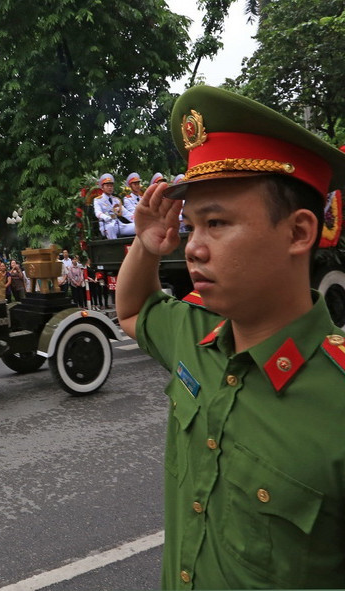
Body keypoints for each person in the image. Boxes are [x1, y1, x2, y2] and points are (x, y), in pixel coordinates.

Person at [116, 85, 345, 589]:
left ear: (299, 232)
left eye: (216, 222)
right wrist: (147, 248)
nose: (193, 248)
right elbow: (132, 310)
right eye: (191, 226)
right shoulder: (196, 333)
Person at [93, 174, 123, 239]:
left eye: (111, 186)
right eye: (107, 186)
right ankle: (116, 245)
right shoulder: (98, 200)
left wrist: (136, 218)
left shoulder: (116, 200)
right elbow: (97, 212)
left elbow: (125, 212)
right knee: (110, 227)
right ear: (102, 188)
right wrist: (106, 217)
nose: (110, 188)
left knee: (135, 227)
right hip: (106, 225)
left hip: (118, 225)